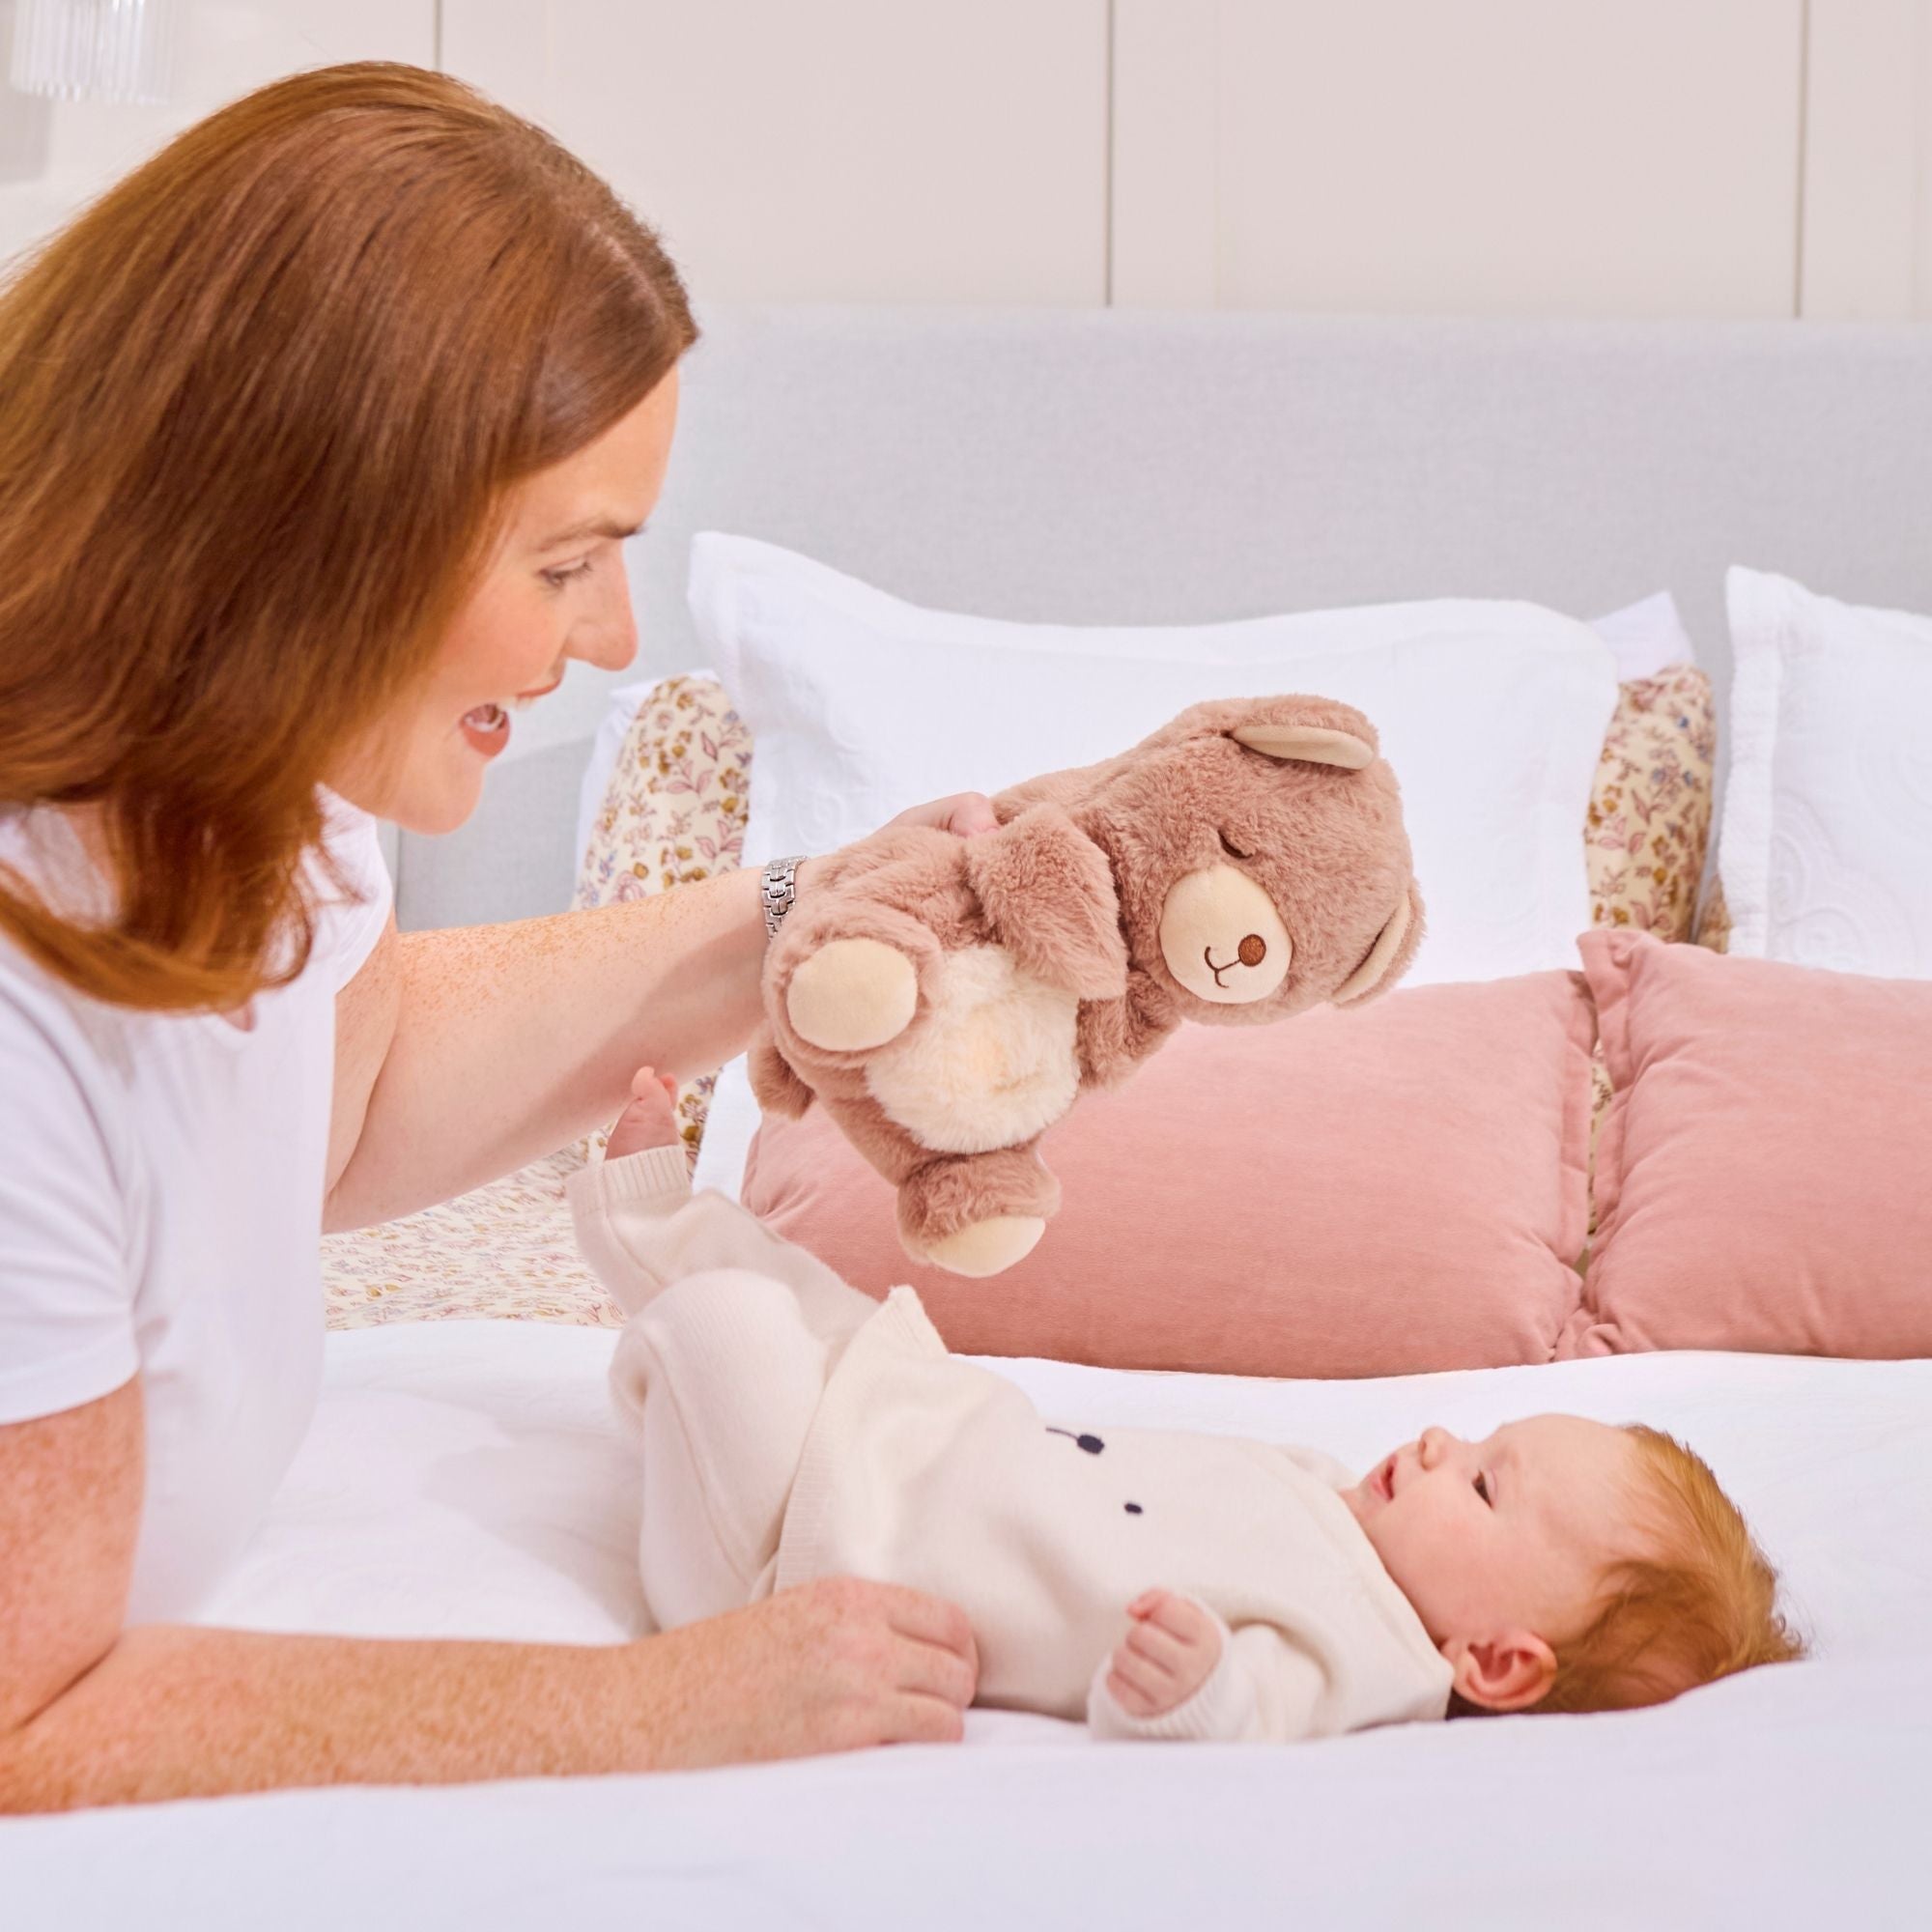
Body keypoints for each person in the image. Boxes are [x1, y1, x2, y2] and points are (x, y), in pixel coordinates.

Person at [0, 64, 994, 1813]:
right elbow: (23, 1714)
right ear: (319, 536)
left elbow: (346, 1101)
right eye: (564, 565)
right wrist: (649, 1710)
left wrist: (809, 914)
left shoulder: (262, 799)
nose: (612, 639)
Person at [570, 1070, 1807, 1735]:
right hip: (911, 1439)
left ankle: (668, 1318)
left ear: (1492, 1660)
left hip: (802, 1568)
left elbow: (1244, 1715)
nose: (1442, 1438)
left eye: (1484, 1483)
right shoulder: (1332, 1497)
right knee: (823, 1313)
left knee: (732, 1332)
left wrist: (1192, 1682)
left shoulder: (1365, 1658)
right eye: (1480, 1437)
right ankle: (653, 1220)